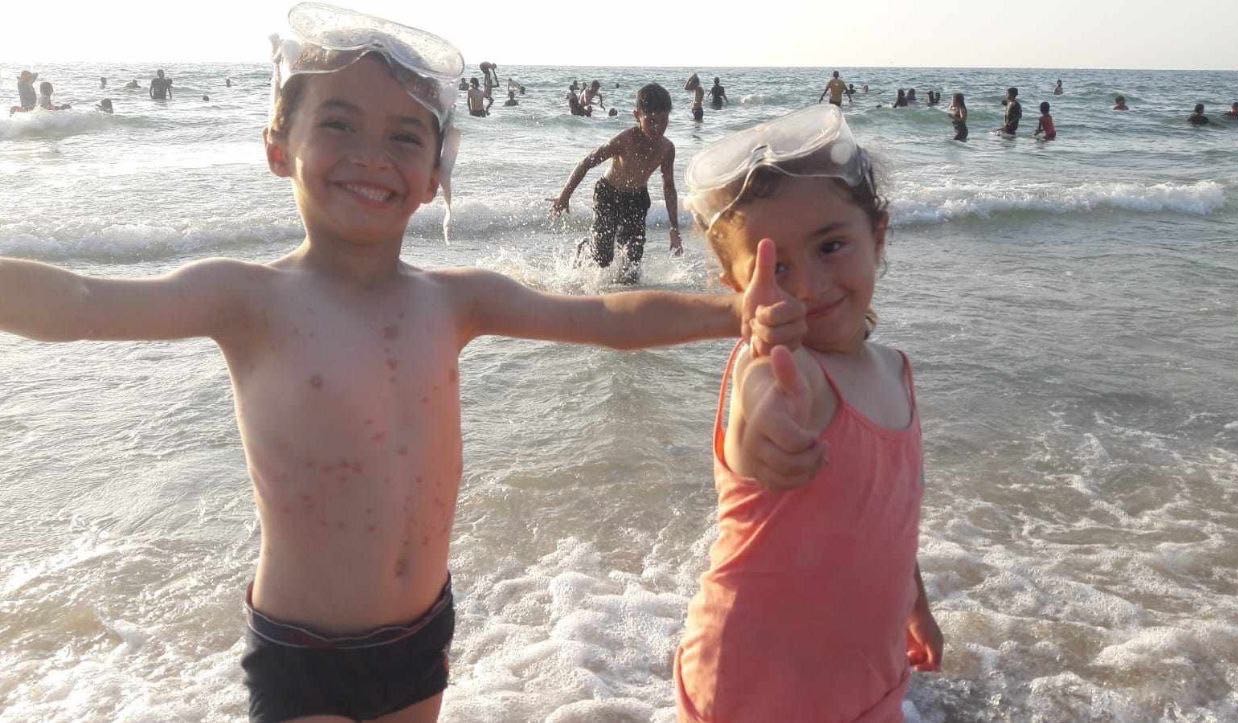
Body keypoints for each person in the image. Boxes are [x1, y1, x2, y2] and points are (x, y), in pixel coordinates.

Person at [0, 7, 786, 722]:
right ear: (278, 146)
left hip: (419, 637)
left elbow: (605, 319)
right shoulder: (246, 299)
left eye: (405, 136)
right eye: (338, 124)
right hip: (304, 652)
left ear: (438, 171)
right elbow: (79, 302)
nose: (371, 156)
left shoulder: (453, 300)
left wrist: (732, 313)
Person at [676, 103, 942, 721]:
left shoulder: (895, 371)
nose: (808, 286)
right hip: (749, 688)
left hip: (867, 682)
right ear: (737, 286)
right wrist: (763, 417)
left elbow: (892, 519)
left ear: (878, 236)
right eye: (776, 268)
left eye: (831, 246)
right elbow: (761, 394)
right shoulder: (787, 372)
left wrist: (917, 606)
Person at [552, 83, 683, 283]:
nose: (658, 128)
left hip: (637, 200)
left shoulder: (667, 149)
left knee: (632, 263)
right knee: (603, 258)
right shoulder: (625, 140)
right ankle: (586, 247)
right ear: (637, 115)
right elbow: (587, 162)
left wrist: (674, 228)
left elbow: (669, 187)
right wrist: (564, 196)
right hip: (608, 194)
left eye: (663, 121)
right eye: (651, 121)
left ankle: (624, 294)